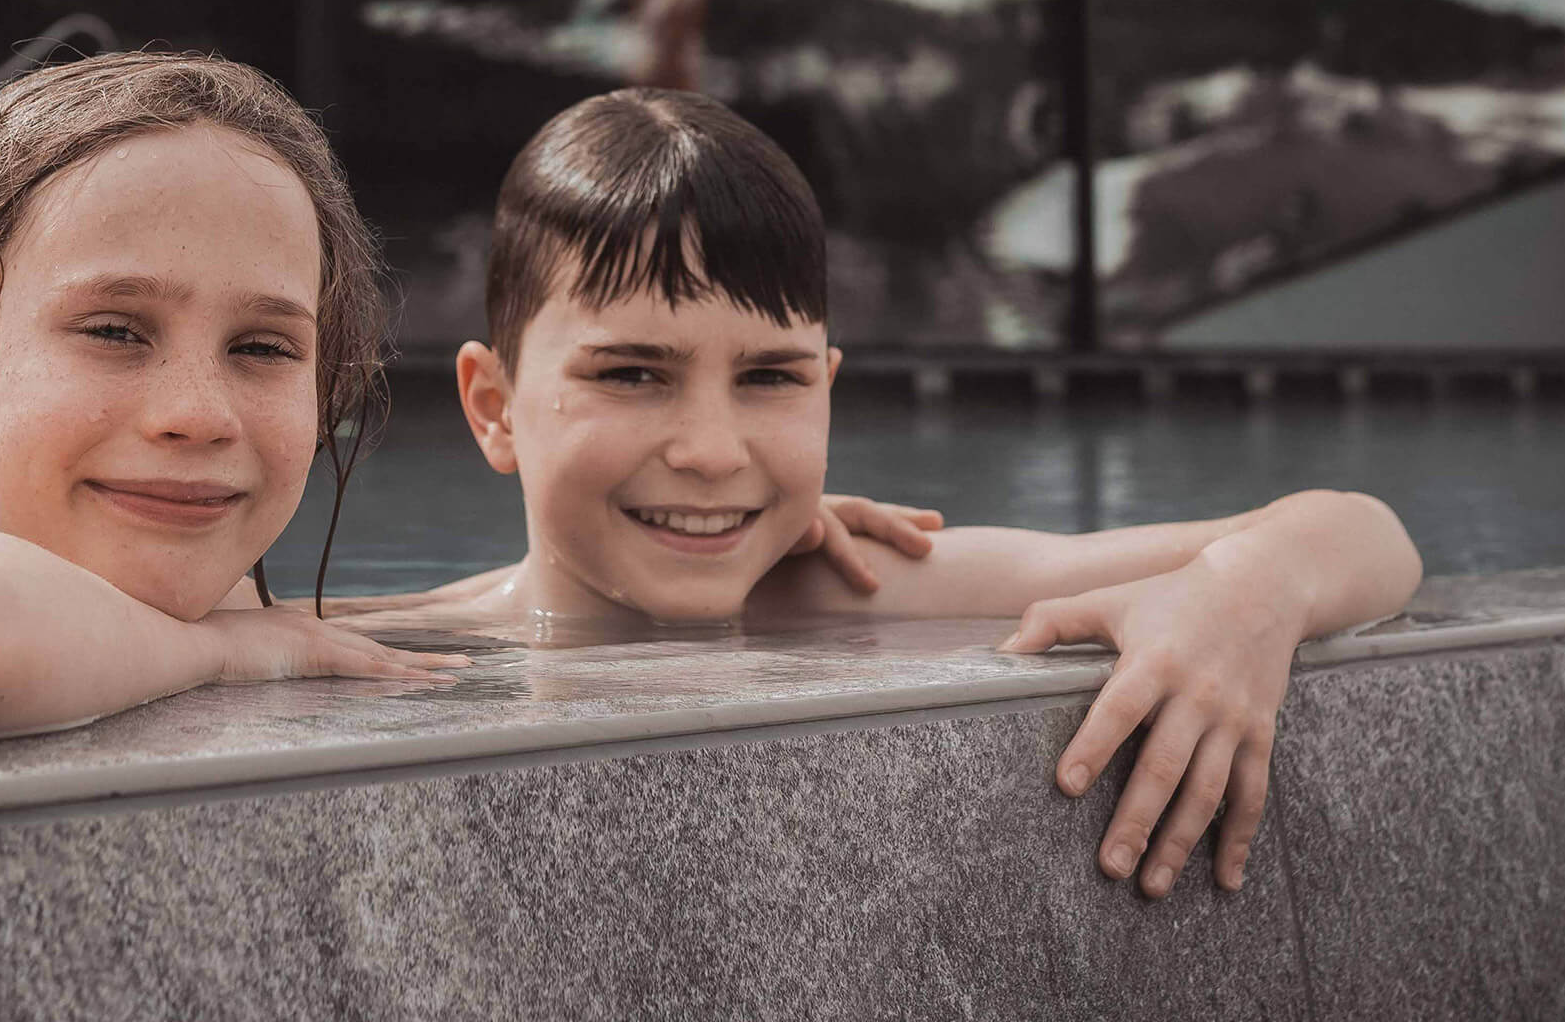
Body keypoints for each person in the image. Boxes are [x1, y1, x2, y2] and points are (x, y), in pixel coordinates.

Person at [329, 87, 1424, 900]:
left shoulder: (852, 586)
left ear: (829, 391)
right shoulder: (399, 638)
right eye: (631, 373)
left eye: (771, 379)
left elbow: (1363, 531)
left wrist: (1242, 592)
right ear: (494, 406)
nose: (712, 450)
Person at [0, 54, 916, 746]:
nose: (197, 410)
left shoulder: (356, 642)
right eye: (116, 330)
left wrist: (1125, 593)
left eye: (264, 348)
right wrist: (226, 647)